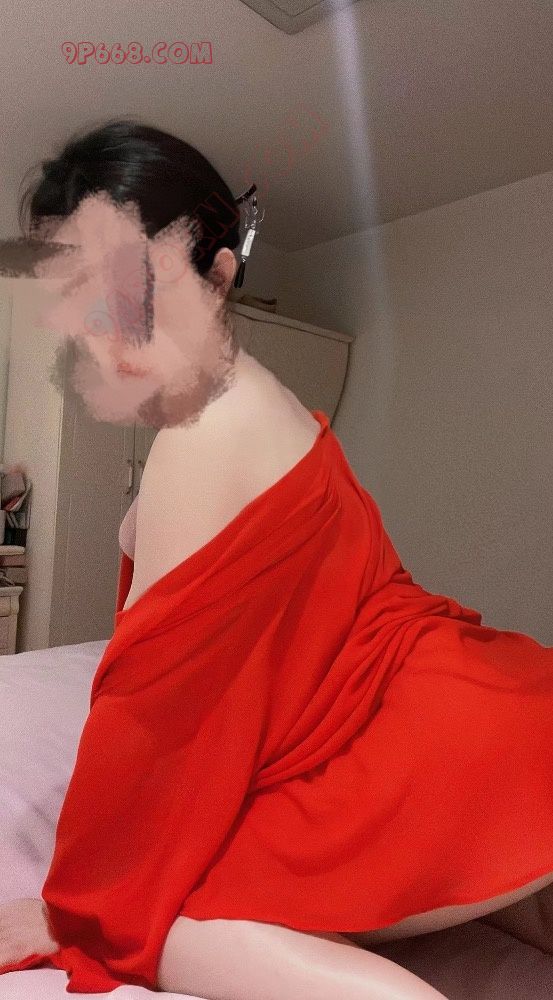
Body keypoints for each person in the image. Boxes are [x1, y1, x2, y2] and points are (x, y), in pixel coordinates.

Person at [1, 117, 552, 1000]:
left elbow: (153, 720)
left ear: (218, 275)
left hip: (439, 754)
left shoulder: (207, 433)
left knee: (161, 923)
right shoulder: (264, 408)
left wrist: (72, 911)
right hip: (496, 721)